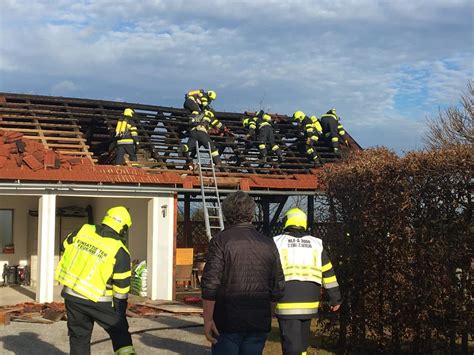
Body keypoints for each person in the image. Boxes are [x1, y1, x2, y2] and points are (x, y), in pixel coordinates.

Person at [201, 191, 285, 355]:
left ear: (226, 214)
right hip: (257, 322)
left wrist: (208, 320)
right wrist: (266, 315)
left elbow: (210, 286)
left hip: (226, 322)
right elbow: (278, 288)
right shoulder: (268, 244)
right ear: (251, 214)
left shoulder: (220, 241)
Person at [55, 206, 136, 355]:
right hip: (98, 299)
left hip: (72, 295)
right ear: (123, 228)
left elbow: (64, 246)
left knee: (79, 337)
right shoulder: (120, 250)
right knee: (120, 333)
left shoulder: (84, 230)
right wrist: (120, 313)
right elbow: (122, 288)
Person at [273, 208, 341, 355]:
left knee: (291, 345)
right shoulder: (316, 244)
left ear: (286, 222)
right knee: (302, 344)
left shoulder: (277, 242)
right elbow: (328, 272)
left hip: (286, 299)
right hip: (310, 301)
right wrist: (335, 298)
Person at [181, 89, 226, 168]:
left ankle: (182, 149)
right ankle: (218, 163)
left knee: (188, 147)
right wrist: (224, 128)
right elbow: (217, 124)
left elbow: (194, 120)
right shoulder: (209, 114)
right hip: (202, 132)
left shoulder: (200, 114)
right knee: (212, 148)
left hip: (193, 132)